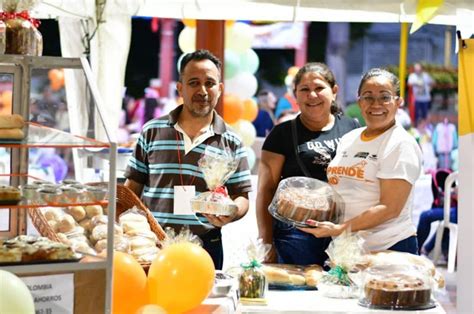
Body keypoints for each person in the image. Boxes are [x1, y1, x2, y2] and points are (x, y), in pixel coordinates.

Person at [124, 50, 252, 270]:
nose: (202, 90)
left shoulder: (231, 140)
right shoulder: (152, 131)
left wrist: (232, 211)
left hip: (206, 246)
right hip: (152, 245)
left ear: (220, 89)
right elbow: (132, 188)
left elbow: (241, 196)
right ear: (180, 87)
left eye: (209, 83)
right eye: (194, 82)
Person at [300, 68, 423, 254]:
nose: (376, 104)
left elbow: (390, 208)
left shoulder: (400, 143)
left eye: (385, 97)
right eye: (368, 97)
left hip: (388, 248)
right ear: (359, 101)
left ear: (398, 102)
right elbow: (343, 189)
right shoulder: (349, 138)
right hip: (348, 249)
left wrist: (341, 228)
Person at [256, 62, 360, 266]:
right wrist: (266, 242)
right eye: (304, 89)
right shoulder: (281, 134)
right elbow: (266, 191)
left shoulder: (352, 128)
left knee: (340, 294)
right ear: (296, 95)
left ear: (334, 91)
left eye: (319, 88)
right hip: (297, 234)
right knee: (298, 294)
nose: (312, 95)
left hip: (342, 230)